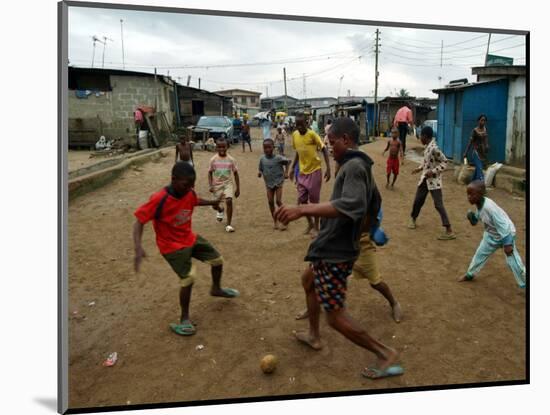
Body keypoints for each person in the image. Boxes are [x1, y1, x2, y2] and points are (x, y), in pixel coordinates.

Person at [275, 117, 403, 379]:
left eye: (332, 142)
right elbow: (374, 203)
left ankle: (385, 353)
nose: (329, 147)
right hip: (333, 245)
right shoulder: (359, 165)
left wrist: (302, 209)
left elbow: (353, 205)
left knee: (335, 317)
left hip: (336, 252)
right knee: (308, 279)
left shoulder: (354, 166)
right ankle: (313, 335)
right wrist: (366, 230)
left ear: (346, 140)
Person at [133, 161, 239, 336]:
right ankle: (184, 319)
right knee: (188, 277)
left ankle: (216, 288)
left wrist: (212, 202)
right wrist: (138, 247)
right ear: (174, 180)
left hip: (189, 237)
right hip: (171, 246)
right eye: (186, 184)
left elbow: (195, 200)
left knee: (217, 260)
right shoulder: (159, 199)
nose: (190, 188)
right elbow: (139, 221)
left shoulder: (188, 192)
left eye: (192, 184)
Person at [458, 181, 526, 288]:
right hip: (491, 235)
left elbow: (503, 225)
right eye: (468, 194)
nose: (469, 197)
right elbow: (476, 221)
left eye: (472, 194)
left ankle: (525, 281)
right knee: (479, 255)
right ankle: (470, 274)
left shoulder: (489, 207)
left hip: (506, 234)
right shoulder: (479, 204)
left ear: (481, 194)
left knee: (513, 261)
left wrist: (508, 244)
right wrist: (472, 218)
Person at [409, 126, 456, 240]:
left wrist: (433, 171)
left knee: (438, 205)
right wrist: (420, 169)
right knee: (418, 200)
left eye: (421, 136)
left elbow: (445, 162)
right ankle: (413, 219)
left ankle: (449, 230)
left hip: (434, 182)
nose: (420, 138)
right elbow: (427, 163)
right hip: (425, 179)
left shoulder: (434, 148)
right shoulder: (428, 148)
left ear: (426, 136)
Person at [290, 113, 332, 237]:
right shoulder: (295, 135)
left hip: (315, 171)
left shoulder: (312, 134)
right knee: (302, 201)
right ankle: (310, 224)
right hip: (302, 172)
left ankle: (317, 227)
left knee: (314, 203)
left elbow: (324, 149)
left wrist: (328, 168)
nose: (299, 128)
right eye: (297, 125)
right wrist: (292, 167)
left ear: (307, 123)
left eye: (302, 125)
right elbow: (298, 152)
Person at [208, 139, 240, 233]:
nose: (221, 149)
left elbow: (236, 174)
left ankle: (228, 224)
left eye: (223, 147)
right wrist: (210, 185)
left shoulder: (231, 160)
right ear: (216, 147)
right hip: (217, 185)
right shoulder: (213, 160)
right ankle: (220, 210)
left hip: (227, 184)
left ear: (227, 147)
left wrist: (238, 188)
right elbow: (210, 173)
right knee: (214, 205)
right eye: (219, 147)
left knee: (229, 200)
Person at [258, 139, 290, 230]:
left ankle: (285, 219)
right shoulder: (262, 159)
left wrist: (286, 173)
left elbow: (287, 162)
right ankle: (275, 221)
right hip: (268, 183)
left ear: (273, 147)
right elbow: (260, 168)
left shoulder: (278, 158)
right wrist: (260, 173)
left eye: (269, 147)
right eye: (265, 148)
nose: (267, 149)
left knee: (278, 201)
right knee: (270, 202)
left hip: (278, 182)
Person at [463, 114, 489, 182]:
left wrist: (486, 146)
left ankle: (472, 183)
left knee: (477, 169)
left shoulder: (485, 129)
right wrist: (466, 152)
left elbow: (486, 139)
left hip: (482, 153)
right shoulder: (475, 131)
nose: (483, 122)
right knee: (480, 170)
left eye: (484, 120)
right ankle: (481, 187)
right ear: (478, 121)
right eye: (482, 120)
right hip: (476, 153)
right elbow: (470, 142)